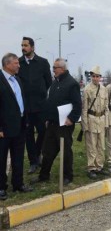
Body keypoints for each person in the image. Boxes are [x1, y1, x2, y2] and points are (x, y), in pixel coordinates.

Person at [33, 58, 81, 185]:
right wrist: (47, 118)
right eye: (53, 68)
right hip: (53, 123)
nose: (53, 70)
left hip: (64, 125)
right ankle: (43, 175)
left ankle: (67, 176)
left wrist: (71, 119)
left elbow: (78, 105)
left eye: (55, 68)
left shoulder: (72, 83)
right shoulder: (55, 83)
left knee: (65, 151)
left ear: (62, 69)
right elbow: (51, 102)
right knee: (47, 150)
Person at [0, 53, 33, 200]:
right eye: (16, 63)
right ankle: (1, 187)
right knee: (1, 158)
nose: (19, 65)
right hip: (4, 129)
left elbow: (22, 101)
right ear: (7, 65)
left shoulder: (17, 80)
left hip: (20, 125)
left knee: (18, 157)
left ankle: (18, 184)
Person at [18, 37, 52, 174]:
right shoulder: (19, 63)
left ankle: (37, 153)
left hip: (41, 106)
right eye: (22, 45)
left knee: (43, 132)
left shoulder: (43, 63)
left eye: (25, 45)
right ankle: (33, 162)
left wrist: (43, 95)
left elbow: (49, 82)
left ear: (32, 47)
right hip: (26, 107)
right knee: (28, 135)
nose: (23, 48)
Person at [82, 66, 110, 179]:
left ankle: (99, 166)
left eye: (97, 76)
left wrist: (107, 123)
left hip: (101, 119)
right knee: (91, 145)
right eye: (93, 76)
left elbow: (106, 108)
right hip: (91, 119)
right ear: (91, 77)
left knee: (101, 146)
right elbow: (84, 109)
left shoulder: (104, 90)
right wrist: (85, 125)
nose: (95, 78)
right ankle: (91, 168)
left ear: (100, 77)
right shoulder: (87, 89)